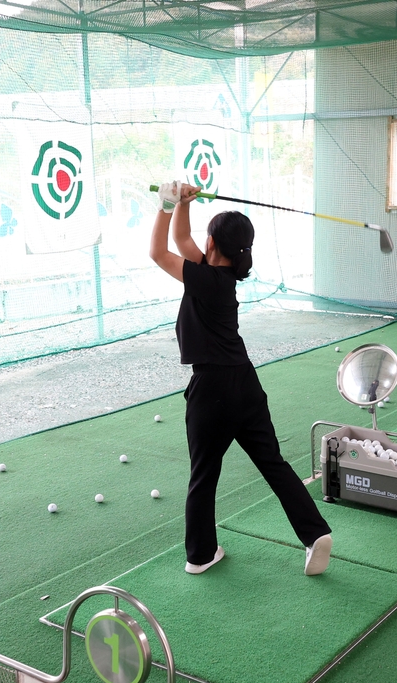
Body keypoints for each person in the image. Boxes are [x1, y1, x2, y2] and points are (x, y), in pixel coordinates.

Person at [150, 181, 332, 576]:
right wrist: (183, 203)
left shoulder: (205, 278)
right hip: (245, 385)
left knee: (204, 474)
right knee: (274, 464)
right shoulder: (217, 274)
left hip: (212, 389)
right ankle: (315, 534)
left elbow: (158, 251)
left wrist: (164, 206)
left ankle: (200, 555)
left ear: (212, 242)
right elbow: (182, 237)